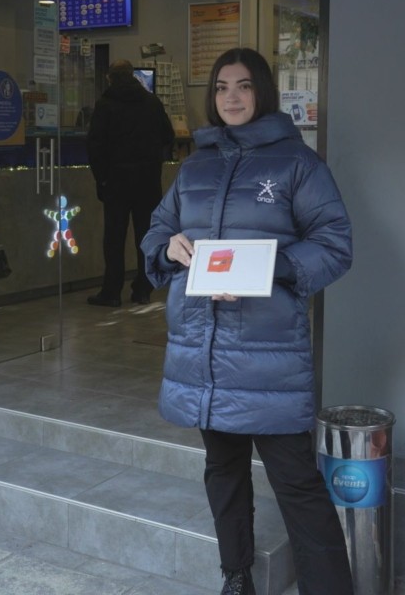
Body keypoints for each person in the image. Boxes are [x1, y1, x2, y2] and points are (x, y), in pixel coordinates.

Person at [141, 48, 354, 595]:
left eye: (242, 86)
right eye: (220, 87)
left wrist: (267, 267)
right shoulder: (195, 166)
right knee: (223, 470)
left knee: (297, 484)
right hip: (204, 349)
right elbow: (157, 231)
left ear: (262, 91)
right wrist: (168, 248)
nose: (230, 97)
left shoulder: (297, 164)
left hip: (267, 354)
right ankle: (236, 576)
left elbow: (334, 245)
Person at [86, 59, 175, 307]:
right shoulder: (151, 102)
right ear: (133, 76)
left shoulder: (105, 105)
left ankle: (112, 291)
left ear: (110, 78)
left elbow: (95, 145)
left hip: (116, 181)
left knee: (114, 237)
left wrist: (102, 177)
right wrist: (153, 159)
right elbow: (168, 135)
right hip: (148, 180)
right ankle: (143, 289)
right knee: (145, 235)